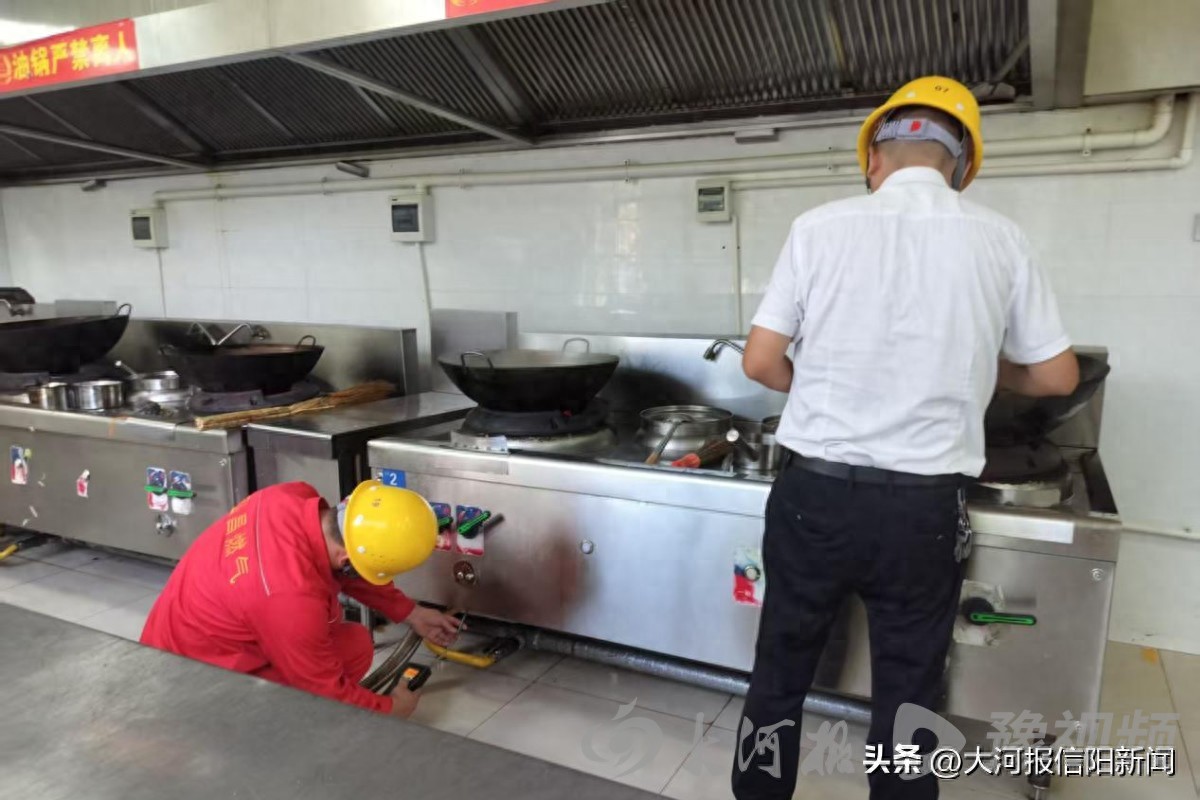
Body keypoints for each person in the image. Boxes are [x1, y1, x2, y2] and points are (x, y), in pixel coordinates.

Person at [732, 76, 1080, 800]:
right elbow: (1057, 377)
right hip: (922, 510)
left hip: (813, 497)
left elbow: (761, 362)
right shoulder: (1001, 238)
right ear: (961, 166)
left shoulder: (818, 227)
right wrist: (980, 368)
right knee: (910, 686)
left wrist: (826, 386)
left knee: (781, 665)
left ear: (873, 160)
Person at [141, 480, 460, 718]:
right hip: (193, 687)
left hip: (170, 645)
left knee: (351, 642)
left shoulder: (289, 496)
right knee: (350, 653)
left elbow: (347, 563)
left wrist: (411, 612)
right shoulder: (290, 600)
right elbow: (322, 687)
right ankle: (271, 728)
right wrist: (390, 710)